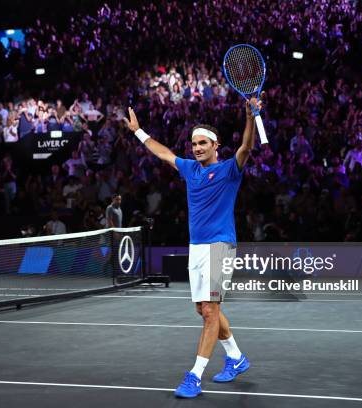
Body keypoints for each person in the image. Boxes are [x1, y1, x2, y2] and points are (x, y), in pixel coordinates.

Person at [123, 97, 260, 399]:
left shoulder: (228, 171)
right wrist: (138, 131)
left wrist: (249, 118)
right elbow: (164, 154)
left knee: (210, 310)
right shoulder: (189, 169)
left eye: (202, 143)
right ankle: (236, 357)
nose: (196, 148)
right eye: (194, 144)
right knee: (204, 309)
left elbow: (246, 148)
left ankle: (194, 376)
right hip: (197, 247)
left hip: (220, 246)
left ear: (215, 145)